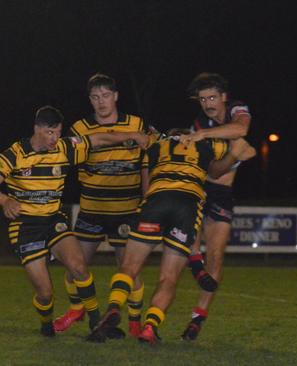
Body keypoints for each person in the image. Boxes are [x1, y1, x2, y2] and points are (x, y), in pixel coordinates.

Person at [0, 105, 148, 337]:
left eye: (58, 132)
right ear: (36, 128)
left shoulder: (65, 148)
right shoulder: (16, 153)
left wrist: (133, 134)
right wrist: (5, 199)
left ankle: (96, 324)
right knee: (45, 293)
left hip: (54, 221)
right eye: (49, 132)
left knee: (79, 266)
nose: (54, 138)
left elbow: (97, 138)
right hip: (25, 226)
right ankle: (46, 324)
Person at [86, 128, 232, 344]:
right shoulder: (207, 144)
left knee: (129, 267)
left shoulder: (156, 144)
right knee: (169, 277)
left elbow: (139, 142)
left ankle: (115, 306)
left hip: (157, 199)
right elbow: (230, 147)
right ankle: (150, 326)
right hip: (187, 204)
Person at [53, 73, 148, 337]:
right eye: (95, 97)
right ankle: (76, 309)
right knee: (75, 267)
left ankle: (134, 322)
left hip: (126, 211)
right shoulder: (80, 128)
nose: (101, 102)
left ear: (116, 96)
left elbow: (145, 166)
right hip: (92, 210)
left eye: (106, 95)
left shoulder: (138, 124)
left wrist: (148, 199)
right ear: (90, 100)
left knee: (129, 269)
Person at [176, 72, 254, 341]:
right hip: (202, 184)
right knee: (188, 226)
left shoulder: (236, 110)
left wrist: (204, 135)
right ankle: (194, 262)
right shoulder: (200, 122)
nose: (208, 103)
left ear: (223, 97)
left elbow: (241, 129)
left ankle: (198, 317)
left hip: (222, 193)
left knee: (217, 257)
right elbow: (211, 168)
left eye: (212, 97)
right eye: (202, 99)